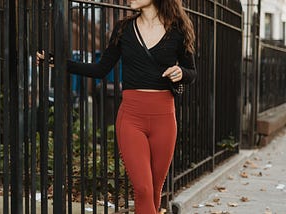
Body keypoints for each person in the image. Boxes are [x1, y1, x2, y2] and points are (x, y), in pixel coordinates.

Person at [37, 0, 196, 213]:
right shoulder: (124, 29)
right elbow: (101, 69)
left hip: (164, 118)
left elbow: (191, 72)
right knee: (143, 188)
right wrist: (59, 62)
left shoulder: (178, 29)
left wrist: (182, 73)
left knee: (155, 190)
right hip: (131, 117)